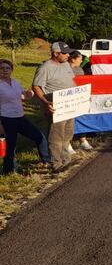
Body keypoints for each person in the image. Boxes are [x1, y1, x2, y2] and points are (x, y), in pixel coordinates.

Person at [31, 42, 76, 172]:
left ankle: (65, 158)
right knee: (56, 135)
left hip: (70, 105)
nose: (68, 55)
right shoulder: (45, 68)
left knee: (68, 133)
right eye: (65, 53)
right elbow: (36, 86)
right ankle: (56, 163)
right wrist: (46, 102)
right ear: (56, 53)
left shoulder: (66, 64)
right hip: (55, 106)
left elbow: (71, 80)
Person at [0, 59, 50, 174]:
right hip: (6, 119)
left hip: (20, 118)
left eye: (7, 68)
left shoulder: (15, 82)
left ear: (11, 70)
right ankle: (9, 171)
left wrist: (31, 91)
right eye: (2, 68)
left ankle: (47, 161)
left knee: (39, 137)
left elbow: (24, 97)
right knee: (10, 146)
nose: (4, 70)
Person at [66, 51, 94, 152]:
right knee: (67, 121)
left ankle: (83, 140)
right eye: (80, 59)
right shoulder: (64, 69)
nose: (82, 60)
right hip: (67, 99)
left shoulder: (80, 70)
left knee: (80, 118)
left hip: (78, 98)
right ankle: (67, 144)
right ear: (73, 59)